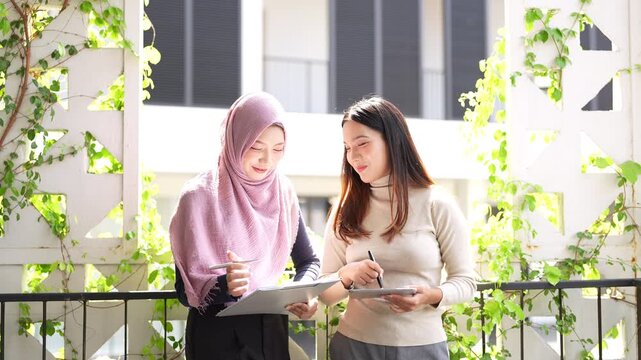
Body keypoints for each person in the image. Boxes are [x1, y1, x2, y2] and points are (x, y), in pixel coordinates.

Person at [319, 97, 476, 359]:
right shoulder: (345, 208)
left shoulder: (437, 203)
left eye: (362, 143)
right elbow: (324, 294)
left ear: (392, 141)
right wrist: (347, 274)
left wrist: (432, 295)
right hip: (355, 346)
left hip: (422, 347)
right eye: (347, 147)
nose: (353, 155)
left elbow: (466, 282)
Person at [170, 92, 320, 360]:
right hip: (215, 339)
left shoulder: (283, 193)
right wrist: (223, 284)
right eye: (255, 146)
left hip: (269, 334)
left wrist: (303, 292)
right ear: (236, 139)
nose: (267, 160)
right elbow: (184, 291)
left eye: (277, 149)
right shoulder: (198, 196)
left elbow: (308, 261)